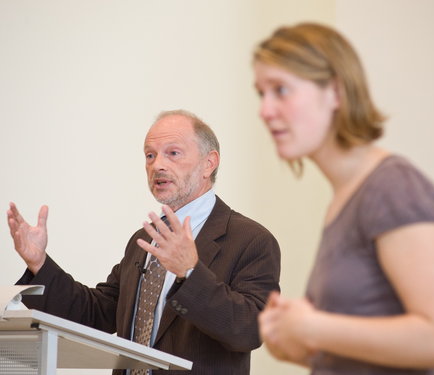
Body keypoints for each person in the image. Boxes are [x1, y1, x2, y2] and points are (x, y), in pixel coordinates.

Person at [253, 23, 434, 374]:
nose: (265, 110)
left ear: (335, 92)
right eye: (261, 93)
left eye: (281, 90)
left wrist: (312, 327)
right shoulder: (344, 198)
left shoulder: (393, 187)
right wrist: (297, 345)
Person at [7, 109, 281, 375]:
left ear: (209, 163)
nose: (157, 165)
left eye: (172, 153)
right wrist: (38, 263)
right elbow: (97, 312)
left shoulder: (251, 240)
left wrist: (190, 272)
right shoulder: (143, 240)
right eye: (150, 155)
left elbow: (250, 330)